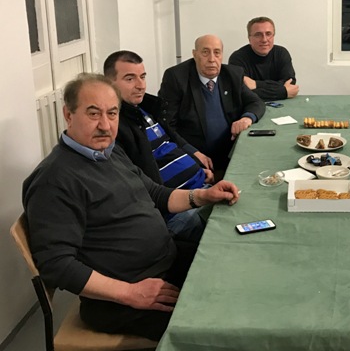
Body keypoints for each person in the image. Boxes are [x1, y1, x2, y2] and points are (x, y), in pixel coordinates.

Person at [22, 73, 240, 341]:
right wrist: (131, 293)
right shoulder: (54, 180)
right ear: (68, 115)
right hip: (125, 295)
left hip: (166, 262)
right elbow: (56, 264)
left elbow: (155, 193)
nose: (105, 125)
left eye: (112, 113)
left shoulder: (110, 152)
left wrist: (203, 195)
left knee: (234, 270)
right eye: (93, 114)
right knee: (223, 327)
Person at [104, 50, 215, 243]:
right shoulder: (115, 127)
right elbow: (141, 185)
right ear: (109, 83)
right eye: (130, 79)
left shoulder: (145, 109)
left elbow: (170, 141)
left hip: (201, 187)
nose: (140, 85)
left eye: (142, 77)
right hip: (178, 211)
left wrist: (196, 167)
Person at [159, 34, 265, 178]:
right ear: (194, 54)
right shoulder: (176, 78)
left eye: (217, 52)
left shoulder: (232, 74)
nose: (211, 59)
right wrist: (192, 152)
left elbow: (256, 102)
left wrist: (247, 118)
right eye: (205, 52)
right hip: (194, 156)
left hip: (230, 152)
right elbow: (166, 125)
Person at [228, 16, 299, 101]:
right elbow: (241, 94)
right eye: (258, 35)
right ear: (249, 38)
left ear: (273, 36)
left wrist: (255, 84)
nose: (264, 39)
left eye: (268, 34)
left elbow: (290, 84)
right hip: (250, 106)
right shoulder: (237, 58)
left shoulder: (281, 53)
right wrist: (283, 91)